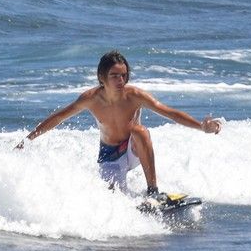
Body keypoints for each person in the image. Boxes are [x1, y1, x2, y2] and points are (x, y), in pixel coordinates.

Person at [16, 50, 221, 204]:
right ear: (102, 77)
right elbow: (58, 117)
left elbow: (168, 112)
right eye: (114, 75)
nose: (120, 80)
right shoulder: (91, 99)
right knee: (114, 199)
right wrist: (29, 139)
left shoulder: (135, 96)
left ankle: (152, 192)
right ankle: (134, 201)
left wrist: (201, 127)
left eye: (123, 75)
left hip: (133, 149)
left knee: (140, 131)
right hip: (110, 155)